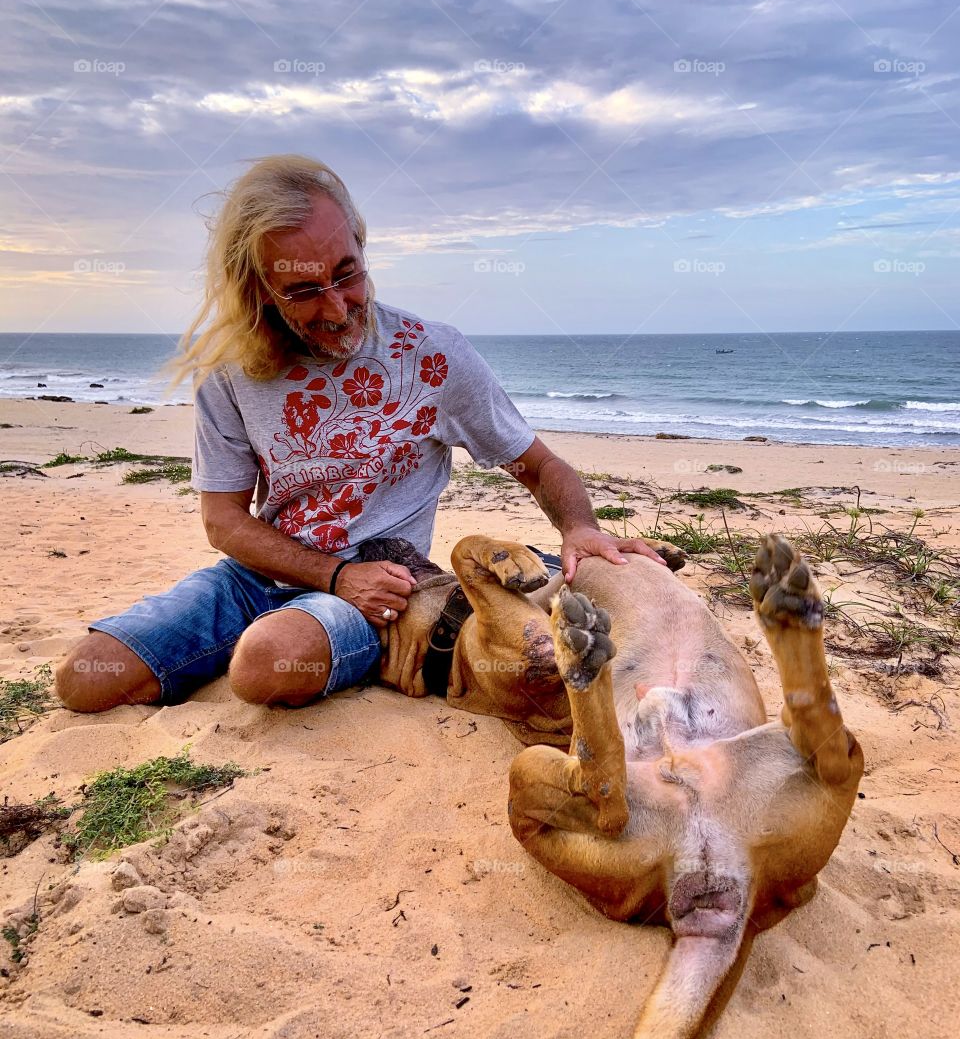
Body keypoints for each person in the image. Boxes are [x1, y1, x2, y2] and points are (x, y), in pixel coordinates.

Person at [55, 155, 665, 713]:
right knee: (84, 680)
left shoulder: (431, 355)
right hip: (255, 580)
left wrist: (579, 526)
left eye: (348, 274)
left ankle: (318, 645)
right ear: (258, 289)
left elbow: (537, 464)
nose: (338, 307)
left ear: (362, 248)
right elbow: (223, 521)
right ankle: (260, 638)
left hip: (379, 595)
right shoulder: (231, 374)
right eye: (302, 290)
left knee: (265, 665)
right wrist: (328, 574)